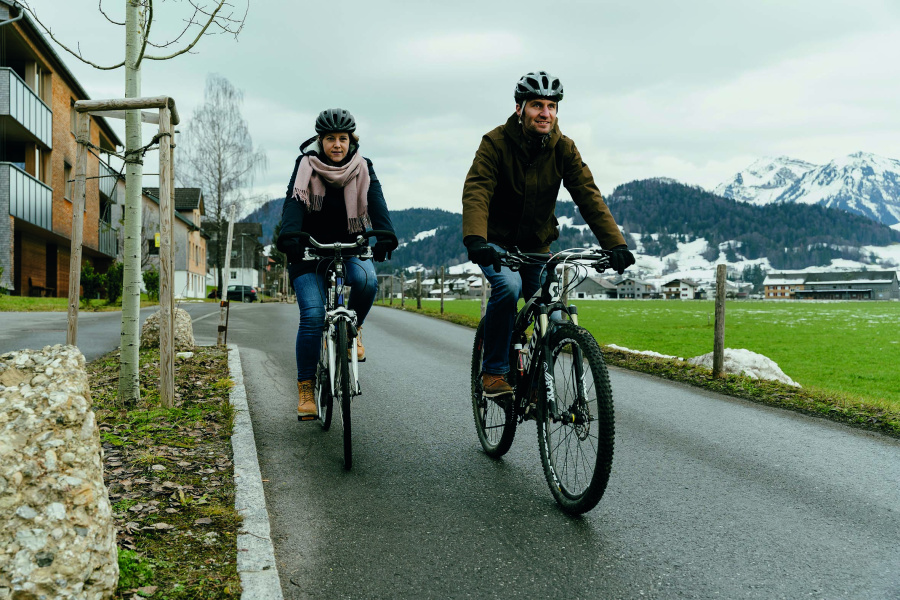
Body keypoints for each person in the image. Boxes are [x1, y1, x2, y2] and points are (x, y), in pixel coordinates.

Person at [462, 71, 635, 397]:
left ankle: (541, 380)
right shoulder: (495, 143)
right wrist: (476, 238)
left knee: (554, 313)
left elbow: (588, 195)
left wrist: (616, 244)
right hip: (495, 244)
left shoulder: (563, 148)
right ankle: (494, 372)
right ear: (519, 108)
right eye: (537, 105)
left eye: (552, 106)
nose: (545, 113)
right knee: (508, 288)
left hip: (537, 246)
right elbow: (477, 190)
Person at [277, 108, 396, 420]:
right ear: (321, 140)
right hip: (310, 254)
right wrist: (289, 235)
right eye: (330, 138)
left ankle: (353, 329)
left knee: (368, 282)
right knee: (314, 316)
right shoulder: (306, 166)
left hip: (350, 249)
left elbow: (376, 202)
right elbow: (294, 201)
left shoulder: (363, 167)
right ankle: (306, 388)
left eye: (343, 138)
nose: (337, 144)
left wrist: (385, 234)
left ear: (351, 140)